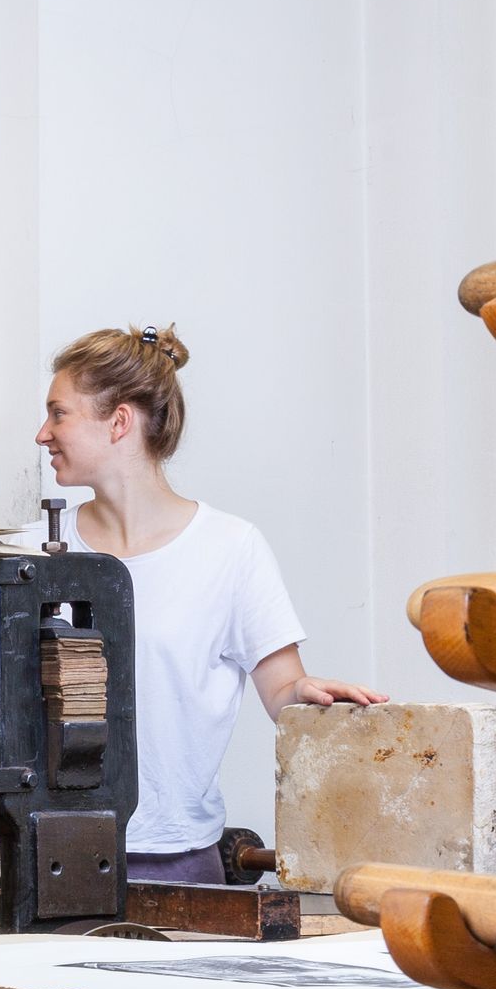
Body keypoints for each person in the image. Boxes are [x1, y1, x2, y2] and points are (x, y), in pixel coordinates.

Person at [33, 325, 383, 886]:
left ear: (119, 421)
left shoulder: (230, 548)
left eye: (59, 414)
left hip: (178, 862)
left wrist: (309, 694)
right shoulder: (29, 550)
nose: (42, 434)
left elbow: (280, 689)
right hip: (45, 856)